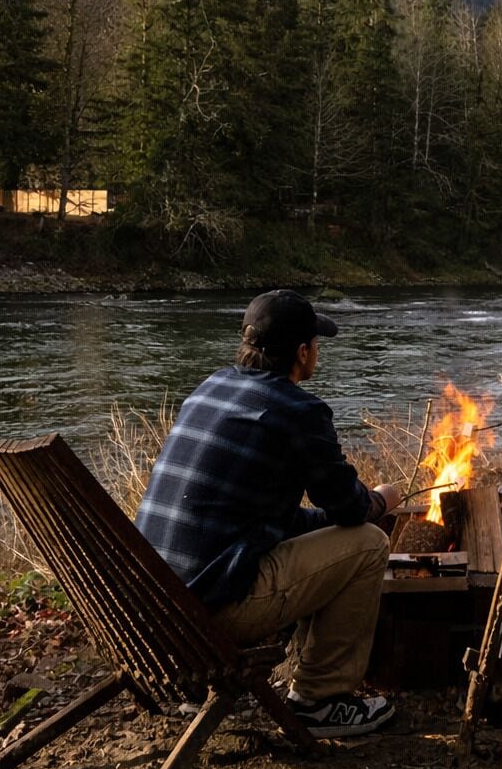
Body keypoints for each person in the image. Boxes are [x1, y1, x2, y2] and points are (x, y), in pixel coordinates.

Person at [135, 289, 402, 735]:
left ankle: (208, 689)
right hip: (211, 610)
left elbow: (268, 519)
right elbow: (351, 509)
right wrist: (382, 500)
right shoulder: (299, 410)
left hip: (155, 607)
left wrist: (328, 522)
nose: (318, 352)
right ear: (302, 353)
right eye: (316, 343)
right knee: (369, 545)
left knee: (344, 538)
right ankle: (318, 700)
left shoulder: (212, 387)